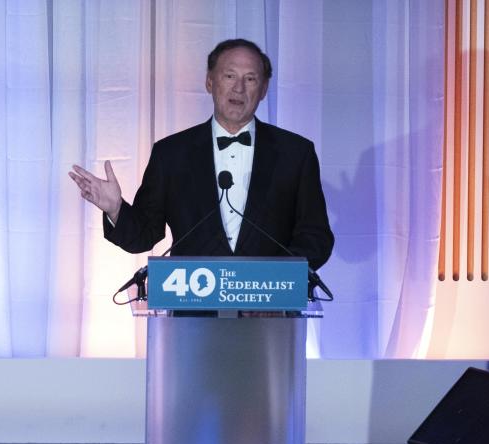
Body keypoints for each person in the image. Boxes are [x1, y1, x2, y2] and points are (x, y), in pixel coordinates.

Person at [69, 38, 334, 271]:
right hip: (193, 313)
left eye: (250, 79)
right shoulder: (171, 154)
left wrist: (281, 279)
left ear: (263, 89)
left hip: (271, 315)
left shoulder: (296, 153)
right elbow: (143, 235)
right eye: (229, 76)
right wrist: (116, 209)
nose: (239, 88)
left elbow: (316, 236)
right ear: (210, 82)